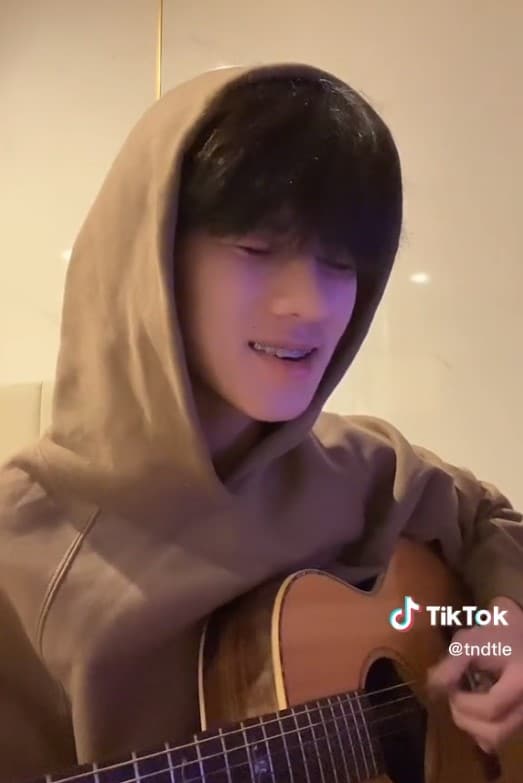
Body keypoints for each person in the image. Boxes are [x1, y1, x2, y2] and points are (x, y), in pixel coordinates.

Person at [0, 61, 522, 781]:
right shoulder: (22, 551)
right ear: (150, 258)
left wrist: (500, 625)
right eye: (256, 248)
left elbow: (491, 520)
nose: (310, 305)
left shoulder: (362, 466)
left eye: (341, 263)